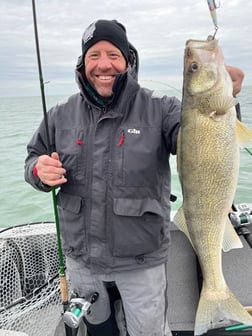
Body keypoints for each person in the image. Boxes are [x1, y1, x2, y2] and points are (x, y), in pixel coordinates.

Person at [24, 20, 244, 336]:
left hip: (141, 263)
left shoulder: (162, 109)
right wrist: (38, 170)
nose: (103, 64)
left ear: (128, 59)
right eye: (94, 55)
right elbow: (33, 158)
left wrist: (227, 102)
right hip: (82, 261)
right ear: (83, 63)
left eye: (113, 54)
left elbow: (201, 142)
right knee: (99, 327)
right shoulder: (60, 115)